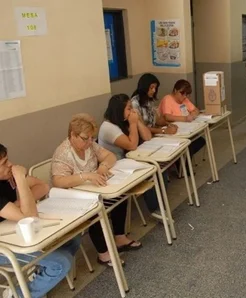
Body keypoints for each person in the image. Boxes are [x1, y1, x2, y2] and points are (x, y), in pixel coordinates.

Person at [51, 113, 142, 266]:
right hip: (73, 197)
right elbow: (58, 181)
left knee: (120, 196)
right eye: (85, 138)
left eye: (91, 138)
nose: (89, 142)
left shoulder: (89, 145)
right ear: (73, 135)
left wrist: (103, 165)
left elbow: (110, 156)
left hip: (92, 190)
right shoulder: (63, 152)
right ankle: (103, 254)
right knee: (95, 212)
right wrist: (86, 176)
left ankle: (119, 237)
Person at [0, 143, 80, 298]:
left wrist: (17, 206)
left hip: (14, 233)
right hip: (4, 248)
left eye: (8, 160)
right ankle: (16, 295)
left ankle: (41, 274)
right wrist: (21, 180)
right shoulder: (13, 176)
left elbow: (42, 187)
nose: (10, 165)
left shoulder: (5, 177)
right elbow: (30, 219)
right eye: (4, 163)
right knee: (61, 263)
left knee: (73, 238)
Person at [98, 94, 164, 213]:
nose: (132, 111)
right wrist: (133, 123)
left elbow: (147, 137)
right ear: (119, 110)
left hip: (126, 162)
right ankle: (156, 209)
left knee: (157, 169)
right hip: (114, 167)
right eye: (129, 108)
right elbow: (132, 145)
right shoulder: (108, 127)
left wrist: (137, 120)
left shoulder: (122, 121)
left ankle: (159, 205)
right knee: (150, 173)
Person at [158, 80, 206, 156]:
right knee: (190, 146)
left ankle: (184, 161)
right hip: (172, 130)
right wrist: (185, 119)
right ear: (175, 90)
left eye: (186, 94)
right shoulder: (167, 99)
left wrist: (193, 114)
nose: (184, 96)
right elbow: (167, 117)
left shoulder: (185, 100)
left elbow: (195, 110)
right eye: (182, 93)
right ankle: (183, 164)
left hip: (185, 128)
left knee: (201, 141)